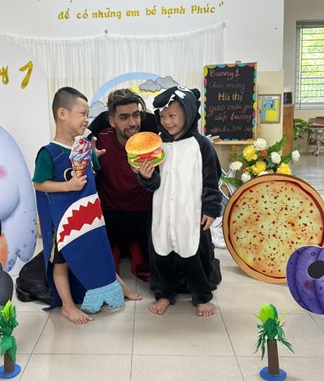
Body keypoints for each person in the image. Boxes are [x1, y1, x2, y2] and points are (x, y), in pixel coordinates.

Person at [32, 86, 136, 324]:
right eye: (82, 113)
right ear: (62, 114)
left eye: (87, 114)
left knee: (100, 251)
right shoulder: (49, 153)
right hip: (63, 221)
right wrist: (67, 186)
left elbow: (92, 174)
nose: (86, 119)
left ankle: (118, 285)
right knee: (61, 261)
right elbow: (39, 183)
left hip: (89, 217)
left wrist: (94, 157)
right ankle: (67, 306)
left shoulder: (84, 147)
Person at [138, 85, 222, 317]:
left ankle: (201, 295)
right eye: (163, 116)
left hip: (191, 212)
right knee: (161, 253)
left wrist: (210, 209)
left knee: (194, 254)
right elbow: (152, 183)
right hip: (162, 212)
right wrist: (146, 176)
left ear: (188, 112)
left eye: (173, 115)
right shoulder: (156, 146)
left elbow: (211, 181)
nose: (167, 122)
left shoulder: (201, 146)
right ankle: (164, 293)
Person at [93, 89, 157, 281]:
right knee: (103, 268)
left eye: (136, 115)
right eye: (124, 117)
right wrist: (91, 162)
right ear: (112, 121)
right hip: (111, 212)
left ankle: (133, 246)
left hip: (142, 212)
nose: (132, 123)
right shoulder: (101, 141)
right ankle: (118, 247)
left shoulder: (150, 142)